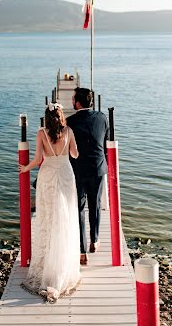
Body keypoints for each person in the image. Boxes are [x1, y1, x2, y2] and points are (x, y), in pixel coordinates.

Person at [18, 103, 80, 303]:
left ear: (46, 118)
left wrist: (25, 168)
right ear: (61, 116)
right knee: (65, 219)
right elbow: (75, 154)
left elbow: (37, 160)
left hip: (47, 177)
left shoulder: (41, 133)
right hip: (65, 174)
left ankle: (46, 267)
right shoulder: (69, 131)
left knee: (47, 219)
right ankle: (62, 267)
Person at [67, 87, 109, 265]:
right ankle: (95, 240)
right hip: (98, 168)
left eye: (72, 98)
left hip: (77, 170)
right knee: (95, 205)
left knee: (78, 209)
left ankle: (82, 251)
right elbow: (106, 142)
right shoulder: (102, 117)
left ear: (77, 103)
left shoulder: (69, 122)